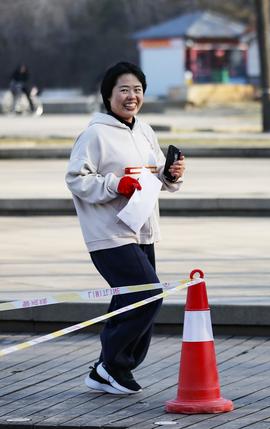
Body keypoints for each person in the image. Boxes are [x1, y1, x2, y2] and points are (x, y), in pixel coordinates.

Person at [65, 61, 186, 395]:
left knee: (130, 300)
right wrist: (116, 185)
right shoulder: (94, 134)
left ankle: (109, 369)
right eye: (124, 90)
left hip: (142, 228)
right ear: (108, 95)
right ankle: (111, 366)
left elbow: (157, 176)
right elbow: (76, 178)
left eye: (138, 90)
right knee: (147, 294)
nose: (132, 96)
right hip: (108, 233)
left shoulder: (145, 130)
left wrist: (171, 174)